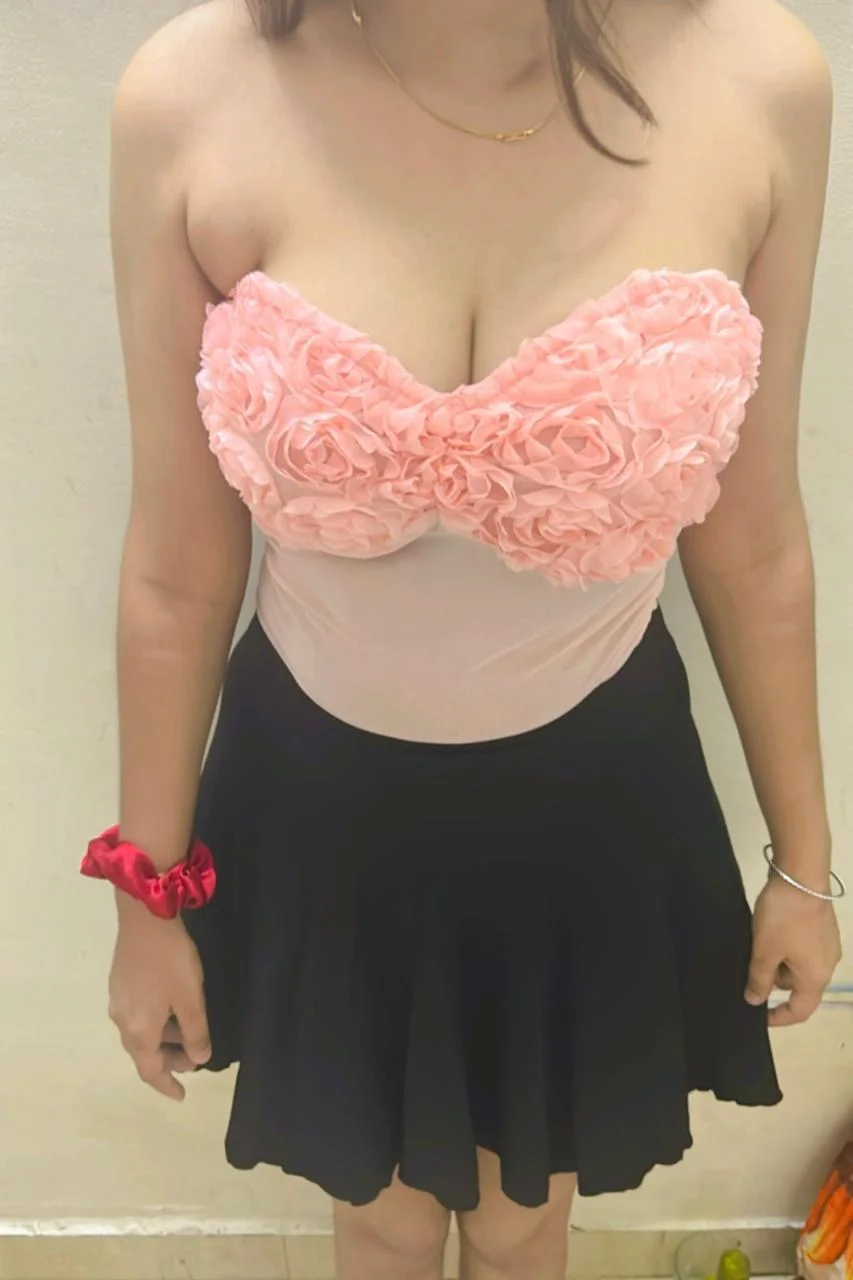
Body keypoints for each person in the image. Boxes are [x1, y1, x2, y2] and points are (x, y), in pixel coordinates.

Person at [89, 0, 843, 1276]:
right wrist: (145, 899)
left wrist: (805, 863)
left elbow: (754, 535)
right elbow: (175, 567)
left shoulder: (759, 78)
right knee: (378, 1217)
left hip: (593, 788)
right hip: (316, 794)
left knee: (522, 1217)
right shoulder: (191, 94)